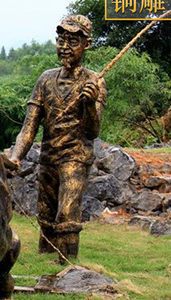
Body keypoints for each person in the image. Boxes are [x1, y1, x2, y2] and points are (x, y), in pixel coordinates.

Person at [8, 14, 107, 262]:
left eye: (73, 41)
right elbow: (29, 126)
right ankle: (46, 261)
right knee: (45, 214)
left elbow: (93, 131)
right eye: (61, 40)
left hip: (75, 157)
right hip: (48, 157)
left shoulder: (94, 81)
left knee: (67, 213)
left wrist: (90, 104)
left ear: (87, 45)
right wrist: (16, 157)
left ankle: (68, 266)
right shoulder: (45, 79)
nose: (65, 47)